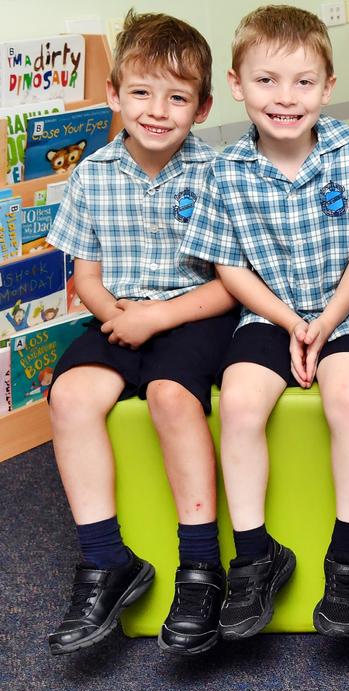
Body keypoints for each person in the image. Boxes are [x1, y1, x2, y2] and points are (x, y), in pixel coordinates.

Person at [181, 5, 349, 641]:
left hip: (348, 310)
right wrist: (290, 323)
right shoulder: (224, 169)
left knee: (347, 394)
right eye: (267, 81)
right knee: (241, 405)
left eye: (304, 82)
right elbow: (229, 265)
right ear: (236, 85)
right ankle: (254, 554)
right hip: (267, 313)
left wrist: (327, 322)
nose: (285, 98)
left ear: (328, 87)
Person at [44, 10, 239, 657]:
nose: (157, 111)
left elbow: (228, 284)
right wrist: (117, 314)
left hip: (193, 315)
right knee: (69, 396)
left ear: (203, 106)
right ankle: (106, 560)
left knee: (171, 398)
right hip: (116, 314)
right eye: (141, 93)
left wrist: (157, 316)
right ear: (113, 95)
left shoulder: (215, 175)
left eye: (177, 97)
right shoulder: (92, 175)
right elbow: (86, 276)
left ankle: (200, 567)